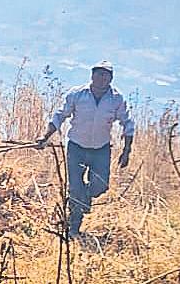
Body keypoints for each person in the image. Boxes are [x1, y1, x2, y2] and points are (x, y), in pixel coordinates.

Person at [35, 60, 134, 239]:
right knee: (75, 188)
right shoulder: (77, 94)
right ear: (92, 75)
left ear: (111, 79)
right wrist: (45, 136)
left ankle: (85, 198)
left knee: (100, 186)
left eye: (106, 75)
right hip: (76, 148)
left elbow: (127, 123)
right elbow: (60, 115)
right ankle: (73, 229)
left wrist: (127, 151)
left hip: (101, 149)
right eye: (99, 74)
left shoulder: (116, 99)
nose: (102, 78)